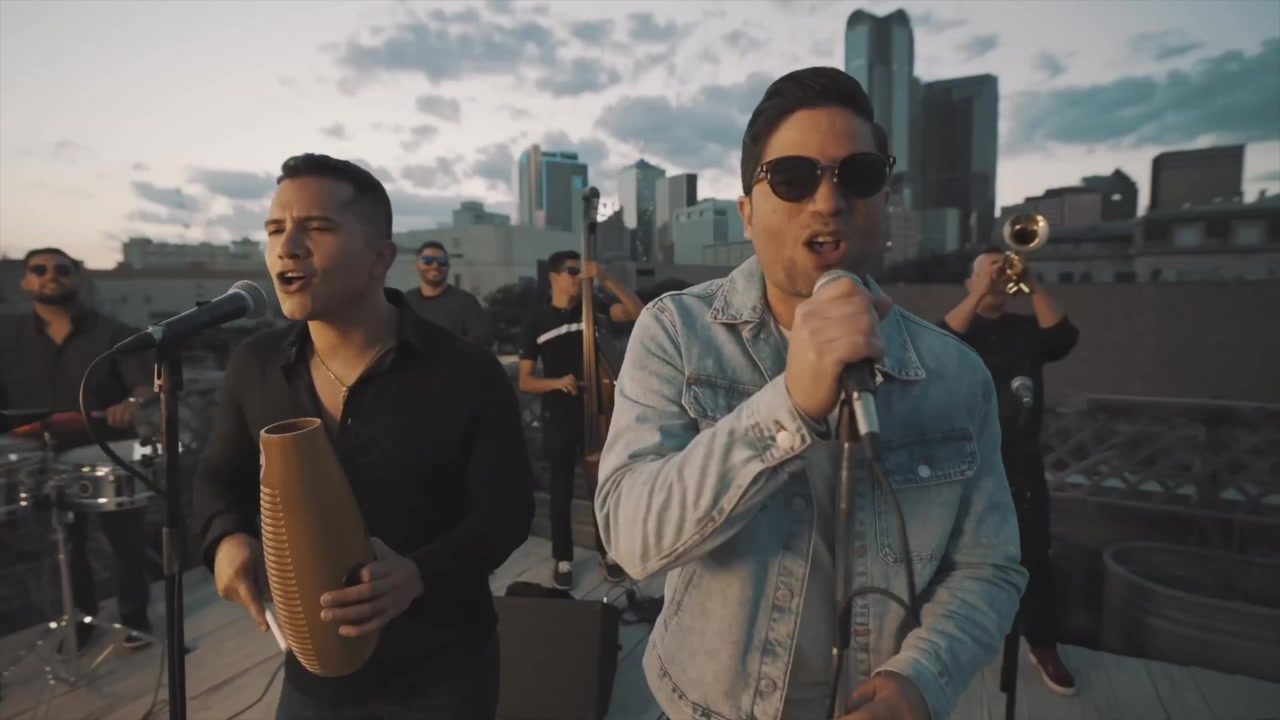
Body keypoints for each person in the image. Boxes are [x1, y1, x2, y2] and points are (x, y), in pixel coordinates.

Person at [594, 67, 1026, 720]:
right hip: (703, 705)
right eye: (793, 178)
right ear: (747, 212)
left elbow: (988, 566)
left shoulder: (955, 374)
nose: (828, 201)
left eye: (858, 175)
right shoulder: (676, 332)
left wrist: (919, 680)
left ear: (884, 201)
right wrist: (789, 405)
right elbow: (629, 540)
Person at [191, 153, 535, 720]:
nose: (287, 246)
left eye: (316, 227)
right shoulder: (255, 364)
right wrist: (224, 538)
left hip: (442, 669)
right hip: (313, 672)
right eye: (275, 229)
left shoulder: (465, 371)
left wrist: (419, 574)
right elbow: (217, 476)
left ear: (380, 258)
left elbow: (508, 510)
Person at [0, 247, 154, 655]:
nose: (51, 275)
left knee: (126, 542)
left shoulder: (114, 333)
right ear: (26, 281)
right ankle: (80, 621)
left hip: (110, 449)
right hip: (40, 456)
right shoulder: (7, 338)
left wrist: (132, 403)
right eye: (39, 269)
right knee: (64, 546)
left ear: (77, 278)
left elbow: (144, 384)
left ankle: (135, 620)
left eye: (62, 269)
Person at [941, 248, 1081, 695]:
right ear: (969, 282)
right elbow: (938, 343)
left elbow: (1064, 337)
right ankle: (952, 639)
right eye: (986, 271)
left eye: (1002, 272)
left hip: (1021, 463)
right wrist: (980, 290)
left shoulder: (1025, 330)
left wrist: (1032, 281)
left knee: (1034, 552)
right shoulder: (961, 329)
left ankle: (1043, 644)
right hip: (966, 463)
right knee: (954, 554)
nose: (997, 277)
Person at [517, 250, 643, 590]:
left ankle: (609, 553)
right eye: (572, 271)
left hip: (598, 412)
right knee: (560, 490)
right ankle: (563, 558)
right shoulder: (537, 322)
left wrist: (605, 278)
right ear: (553, 277)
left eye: (581, 271)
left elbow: (637, 312)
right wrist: (556, 383)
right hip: (558, 414)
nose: (579, 277)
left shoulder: (592, 311)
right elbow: (526, 381)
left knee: (601, 487)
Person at [402, 240, 492, 348]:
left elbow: (481, 342)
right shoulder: (407, 301)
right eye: (428, 260)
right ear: (417, 265)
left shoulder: (466, 302)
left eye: (442, 261)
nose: (435, 266)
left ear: (448, 266)